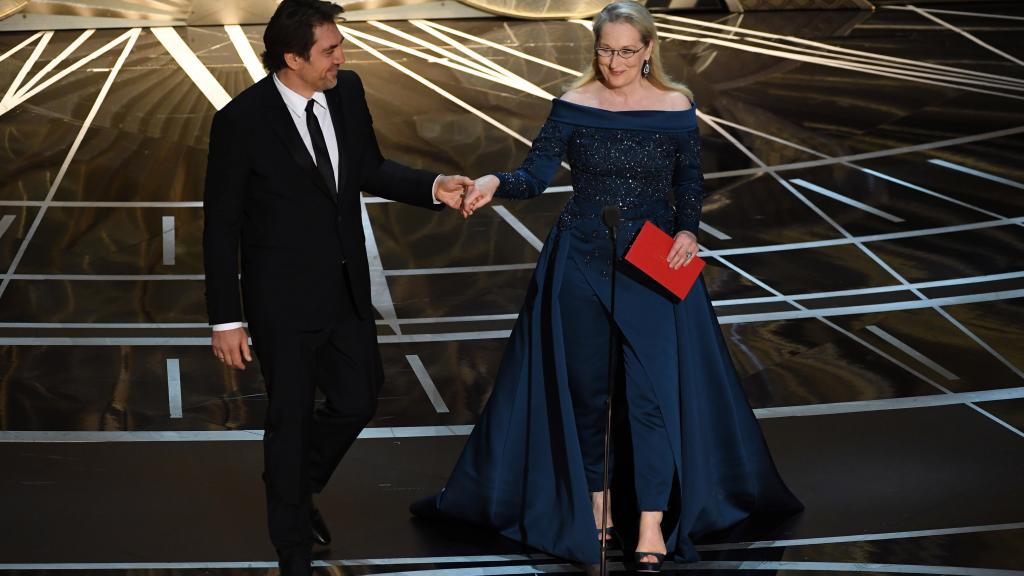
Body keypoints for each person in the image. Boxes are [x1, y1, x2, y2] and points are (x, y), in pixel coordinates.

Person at [413, 2, 801, 572]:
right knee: (586, 394)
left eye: (625, 50)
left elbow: (688, 179)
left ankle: (650, 523)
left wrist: (689, 230)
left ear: (648, 51)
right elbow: (536, 173)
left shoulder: (675, 106)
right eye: (604, 49)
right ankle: (598, 511)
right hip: (581, 260)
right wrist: (496, 181)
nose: (614, 61)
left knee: (651, 398)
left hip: (655, 261)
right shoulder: (573, 104)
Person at [202, 1, 473, 572]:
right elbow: (221, 225)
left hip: (347, 289)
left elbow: (369, 167)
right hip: (282, 304)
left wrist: (434, 186)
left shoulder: (346, 91)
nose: (341, 58)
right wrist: (226, 319)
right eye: (329, 50)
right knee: (291, 418)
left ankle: (294, 490)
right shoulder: (241, 121)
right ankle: (293, 550)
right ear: (292, 58)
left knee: (357, 401)